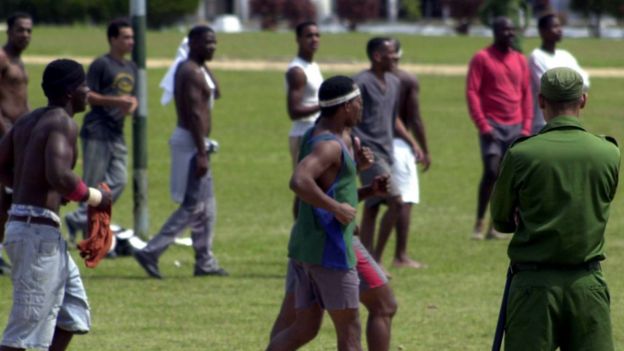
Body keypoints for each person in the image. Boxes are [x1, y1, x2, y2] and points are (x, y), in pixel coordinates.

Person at [490, 67, 620, 351]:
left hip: (534, 287)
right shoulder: (608, 152)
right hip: (587, 283)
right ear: (583, 100)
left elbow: (501, 219)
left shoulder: (522, 153)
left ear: (540, 101)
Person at [0, 58, 112, 351]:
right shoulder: (63, 122)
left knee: (72, 313)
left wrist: (29, 186)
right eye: (84, 85)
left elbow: (3, 164)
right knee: (24, 331)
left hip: (31, 229)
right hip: (36, 236)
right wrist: (96, 198)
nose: (88, 91)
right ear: (69, 92)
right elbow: (59, 174)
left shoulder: (26, 120)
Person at [267, 76, 367, 351]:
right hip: (330, 251)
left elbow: (333, 187)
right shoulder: (330, 145)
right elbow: (299, 181)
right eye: (359, 103)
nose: (361, 108)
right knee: (350, 329)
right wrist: (336, 208)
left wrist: (359, 175)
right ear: (346, 106)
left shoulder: (317, 133)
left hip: (307, 247)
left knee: (305, 328)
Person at [134, 25, 227, 279]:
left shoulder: (196, 69)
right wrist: (201, 152)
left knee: (206, 208)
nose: (212, 47)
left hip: (197, 142)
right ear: (193, 43)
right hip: (192, 143)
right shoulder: (189, 72)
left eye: (214, 42)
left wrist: (203, 62)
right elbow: (195, 114)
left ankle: (205, 261)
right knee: (192, 206)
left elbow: (216, 92)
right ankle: (151, 251)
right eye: (207, 42)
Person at [64, 18, 138, 242]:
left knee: (119, 179)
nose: (131, 41)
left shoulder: (131, 67)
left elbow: (131, 97)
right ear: (112, 39)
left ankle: (78, 217)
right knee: (92, 181)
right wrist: (117, 102)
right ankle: (91, 232)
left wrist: (132, 104)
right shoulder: (101, 64)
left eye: (132, 37)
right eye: (125, 37)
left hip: (117, 131)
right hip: (97, 131)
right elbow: (87, 95)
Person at [352, 37, 422, 263]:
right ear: (377, 56)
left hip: (387, 151)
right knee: (397, 201)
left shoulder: (394, 83)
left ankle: (363, 262)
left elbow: (392, 120)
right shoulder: (360, 83)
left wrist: (412, 142)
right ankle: (376, 261)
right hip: (370, 153)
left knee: (372, 208)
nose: (396, 57)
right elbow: (348, 118)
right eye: (391, 53)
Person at [466, 16, 532, 240]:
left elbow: (526, 94)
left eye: (512, 30)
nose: (510, 34)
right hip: (492, 126)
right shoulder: (482, 58)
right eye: (505, 30)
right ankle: (479, 222)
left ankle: (496, 226)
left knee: (509, 178)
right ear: (495, 32)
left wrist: (527, 127)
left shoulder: (521, 60)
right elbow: (472, 92)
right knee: (491, 171)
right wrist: (482, 124)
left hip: (516, 125)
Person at [374, 39, 431, 269]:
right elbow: (413, 118)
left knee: (375, 204)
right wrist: (422, 147)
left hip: (376, 145)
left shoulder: (373, 79)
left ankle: (375, 256)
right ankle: (399, 255)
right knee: (404, 200)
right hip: (397, 145)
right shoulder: (405, 79)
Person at [0, 12, 32, 275]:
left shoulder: (20, 61)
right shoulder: (2, 58)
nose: (25, 35)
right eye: (20, 30)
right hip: (4, 135)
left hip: (17, 135)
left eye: (29, 31)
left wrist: (33, 123)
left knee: (11, 198)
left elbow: (20, 100)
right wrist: (7, 131)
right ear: (9, 31)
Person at [528, 13, 590, 134]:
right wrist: (572, 84)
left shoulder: (565, 55)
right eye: (555, 26)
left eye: (560, 26)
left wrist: (563, 85)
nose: (560, 29)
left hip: (569, 122)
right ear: (542, 31)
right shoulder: (536, 57)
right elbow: (547, 86)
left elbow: (585, 82)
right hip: (543, 124)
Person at [285, 21, 322, 168]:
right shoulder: (297, 71)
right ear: (298, 39)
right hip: (303, 134)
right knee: (305, 187)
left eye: (317, 35)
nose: (314, 39)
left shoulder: (312, 66)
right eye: (309, 36)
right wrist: (325, 104)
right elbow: (294, 112)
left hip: (316, 131)